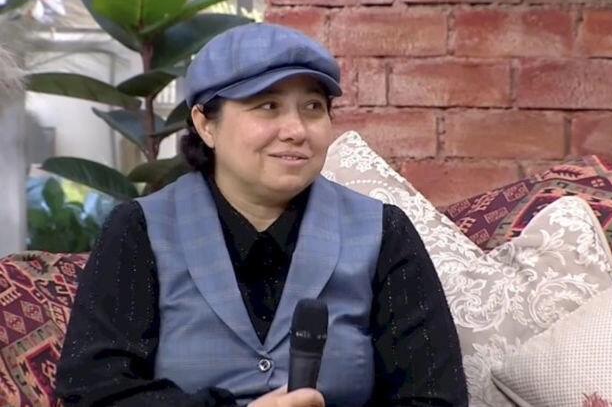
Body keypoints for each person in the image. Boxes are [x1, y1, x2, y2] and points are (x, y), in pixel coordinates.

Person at [55, 22, 468, 407]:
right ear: (205, 124)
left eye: (313, 107)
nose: (296, 130)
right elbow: (93, 391)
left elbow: (435, 396)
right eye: (268, 106)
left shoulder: (382, 231)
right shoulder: (141, 229)